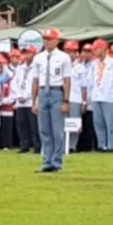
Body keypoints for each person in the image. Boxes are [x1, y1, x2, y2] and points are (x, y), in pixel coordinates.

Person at [30, 28, 72, 173]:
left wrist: (66, 100)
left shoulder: (64, 57)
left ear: (57, 40)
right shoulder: (38, 58)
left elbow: (67, 80)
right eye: (45, 39)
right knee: (44, 130)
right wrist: (34, 100)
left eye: (50, 39)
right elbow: (35, 80)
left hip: (56, 91)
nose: (47, 42)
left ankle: (56, 162)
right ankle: (47, 161)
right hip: (43, 92)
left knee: (57, 130)